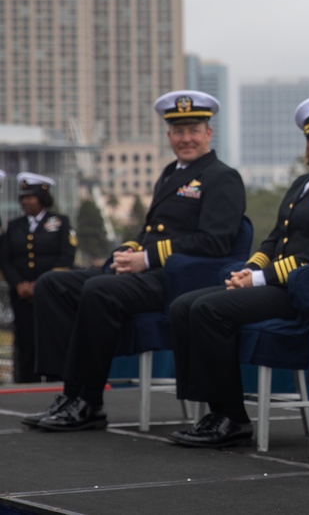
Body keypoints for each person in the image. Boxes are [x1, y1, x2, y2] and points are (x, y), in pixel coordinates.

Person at [25, 90, 245, 431]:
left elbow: (216, 241)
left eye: (193, 130)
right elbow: (149, 232)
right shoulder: (170, 173)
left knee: (99, 290)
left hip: (178, 281)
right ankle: (69, 393)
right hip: (143, 274)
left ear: (208, 133)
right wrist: (127, 252)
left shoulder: (221, 177)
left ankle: (89, 401)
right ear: (169, 135)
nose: (185, 138)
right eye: (178, 131)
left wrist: (148, 257)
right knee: (53, 284)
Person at [168, 95, 309, 448]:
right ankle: (211, 410)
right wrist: (249, 269)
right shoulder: (301, 185)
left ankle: (231, 418)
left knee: (209, 310)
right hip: (283, 285)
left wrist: (260, 279)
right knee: (183, 306)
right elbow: (275, 239)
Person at [0, 173, 77, 382]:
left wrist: (41, 284)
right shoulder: (13, 226)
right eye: (23, 197)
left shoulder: (60, 222)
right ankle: (25, 381)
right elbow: (5, 258)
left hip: (51, 294)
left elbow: (66, 257)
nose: (26, 201)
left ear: (42, 198)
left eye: (31, 196)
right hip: (22, 295)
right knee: (25, 340)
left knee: (52, 337)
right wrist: (18, 284)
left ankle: (56, 381)